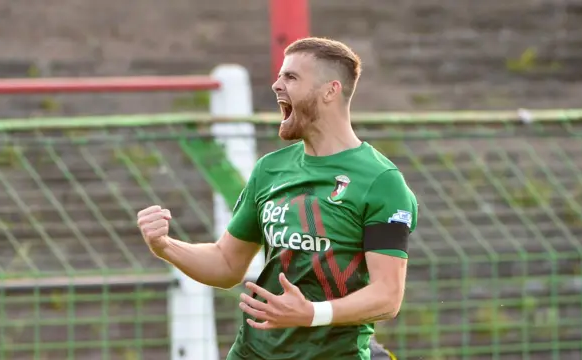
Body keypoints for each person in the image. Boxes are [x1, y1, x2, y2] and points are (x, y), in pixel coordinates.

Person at [136, 37, 417, 360]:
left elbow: (387, 297)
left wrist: (311, 313)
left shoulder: (381, 181)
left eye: (291, 77)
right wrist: (166, 246)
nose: (276, 86)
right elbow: (227, 264)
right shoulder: (270, 169)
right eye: (280, 76)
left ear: (330, 91)